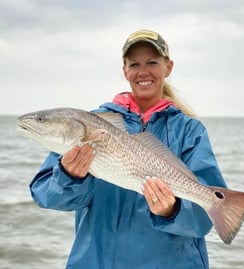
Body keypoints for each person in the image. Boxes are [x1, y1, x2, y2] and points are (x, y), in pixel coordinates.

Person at [30, 29, 227, 269]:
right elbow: (46, 196)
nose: (143, 72)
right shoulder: (90, 124)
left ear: (168, 66)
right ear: (124, 70)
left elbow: (204, 220)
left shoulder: (189, 130)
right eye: (134, 64)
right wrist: (69, 175)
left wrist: (172, 210)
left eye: (152, 62)